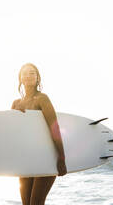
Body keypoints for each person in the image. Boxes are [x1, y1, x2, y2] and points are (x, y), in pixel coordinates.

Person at [11, 63, 67, 205]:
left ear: (38, 78)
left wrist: (61, 157)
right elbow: (13, 134)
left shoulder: (42, 99)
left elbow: (54, 128)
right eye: (25, 73)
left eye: (32, 73)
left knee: (36, 203)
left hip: (45, 155)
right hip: (26, 158)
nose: (28, 76)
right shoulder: (16, 103)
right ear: (20, 78)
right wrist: (15, 115)